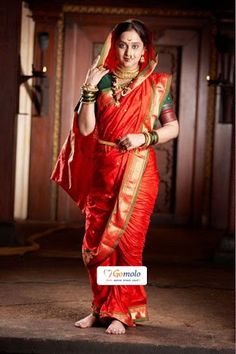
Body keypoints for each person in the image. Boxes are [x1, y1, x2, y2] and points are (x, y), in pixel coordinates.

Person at [51, 19, 179, 335]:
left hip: (139, 171)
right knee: (95, 244)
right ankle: (100, 308)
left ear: (145, 50)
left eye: (135, 46)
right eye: (122, 44)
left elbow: (173, 128)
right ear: (113, 45)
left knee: (128, 247)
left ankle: (122, 311)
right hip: (103, 169)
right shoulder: (101, 80)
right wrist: (88, 89)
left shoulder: (157, 85)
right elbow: (84, 129)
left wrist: (144, 138)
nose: (128, 52)